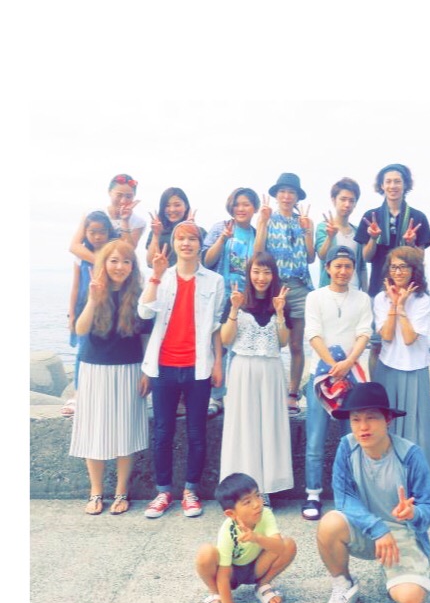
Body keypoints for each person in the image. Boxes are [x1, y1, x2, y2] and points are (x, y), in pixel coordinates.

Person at [316, 382, 430, 603]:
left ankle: (394, 572)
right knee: (330, 522)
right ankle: (344, 584)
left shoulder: (410, 455)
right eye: (355, 419)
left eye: (371, 418)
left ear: (388, 420)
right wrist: (377, 528)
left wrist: (414, 513)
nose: (363, 427)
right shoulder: (347, 447)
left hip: (402, 532)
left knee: (411, 599)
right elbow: (344, 498)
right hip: (366, 527)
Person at [138, 221, 225, 519]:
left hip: (197, 367)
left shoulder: (214, 281)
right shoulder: (161, 276)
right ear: (173, 243)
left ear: (201, 244)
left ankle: (190, 491)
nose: (186, 243)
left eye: (192, 238)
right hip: (163, 366)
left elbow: (216, 326)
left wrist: (218, 363)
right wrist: (155, 276)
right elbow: (144, 312)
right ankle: (163, 492)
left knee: (196, 432)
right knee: (163, 431)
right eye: (180, 238)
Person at [69, 240, 151, 515]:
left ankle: (121, 492)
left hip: (129, 369)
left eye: (126, 262)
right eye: (114, 260)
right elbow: (80, 329)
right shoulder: (93, 289)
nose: (120, 267)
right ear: (104, 263)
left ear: (133, 266)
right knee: (94, 431)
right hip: (94, 368)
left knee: (125, 431)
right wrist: (93, 300)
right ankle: (96, 492)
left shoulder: (139, 294)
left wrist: (146, 371)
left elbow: (145, 337)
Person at [372, 246, 430, 513]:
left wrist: (402, 307)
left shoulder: (423, 299)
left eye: (404, 267)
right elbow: (386, 336)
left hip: (414, 369)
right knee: (387, 430)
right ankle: (389, 488)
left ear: (414, 270)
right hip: (388, 367)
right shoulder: (381, 298)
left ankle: (429, 488)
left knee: (419, 432)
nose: (398, 272)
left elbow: (411, 338)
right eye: (394, 267)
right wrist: (393, 304)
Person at [301, 245, 372, 521]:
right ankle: (313, 493)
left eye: (348, 266)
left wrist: (348, 363)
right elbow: (313, 334)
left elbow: (364, 334)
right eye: (338, 266)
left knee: (351, 438)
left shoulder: (362, 299)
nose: (343, 271)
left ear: (354, 269)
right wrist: (333, 366)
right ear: (328, 267)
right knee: (315, 439)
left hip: (353, 376)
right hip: (320, 376)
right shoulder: (315, 297)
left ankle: (348, 493)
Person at [219, 252, 294, 502]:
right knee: (243, 427)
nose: (261, 277)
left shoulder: (280, 302)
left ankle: (267, 487)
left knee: (270, 426)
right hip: (243, 369)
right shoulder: (237, 300)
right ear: (248, 274)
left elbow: (283, 342)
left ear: (274, 275)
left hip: (271, 369)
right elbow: (225, 339)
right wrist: (233, 309)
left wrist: (280, 313)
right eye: (256, 272)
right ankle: (242, 489)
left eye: (267, 272)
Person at [354, 163, 430, 376]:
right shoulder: (371, 216)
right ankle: (376, 387)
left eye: (397, 181)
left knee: (408, 339)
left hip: (411, 290)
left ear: (405, 184)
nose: (393, 185)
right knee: (377, 343)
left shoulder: (418, 217)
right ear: (381, 185)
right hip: (379, 288)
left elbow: (420, 258)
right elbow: (366, 257)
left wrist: (412, 243)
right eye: (388, 181)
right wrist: (372, 238)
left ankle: (404, 382)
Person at [195, 473, 297, 603]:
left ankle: (263, 585)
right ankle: (216, 595)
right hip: (231, 574)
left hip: (257, 567)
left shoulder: (266, 514)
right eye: (247, 502)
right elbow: (223, 574)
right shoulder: (228, 530)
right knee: (205, 552)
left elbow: (280, 548)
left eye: (258, 495)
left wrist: (256, 538)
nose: (257, 504)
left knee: (289, 544)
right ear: (231, 513)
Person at [254, 173, 315, 416]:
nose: (287, 196)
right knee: (270, 342)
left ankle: (292, 393)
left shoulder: (304, 221)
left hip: (299, 287)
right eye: (283, 191)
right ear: (276, 195)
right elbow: (258, 251)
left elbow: (310, 257)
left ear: (297, 197)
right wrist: (262, 222)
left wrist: (307, 231)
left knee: (296, 344)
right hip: (274, 286)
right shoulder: (268, 218)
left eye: (291, 192)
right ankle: (268, 391)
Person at [202, 187, 260, 417]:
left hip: (246, 299)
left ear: (254, 208)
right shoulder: (221, 227)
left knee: (240, 348)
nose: (241, 208)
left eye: (246, 204)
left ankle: (235, 395)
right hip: (221, 295)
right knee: (217, 347)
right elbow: (206, 260)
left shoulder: (256, 234)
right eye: (237, 204)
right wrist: (223, 238)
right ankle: (215, 397)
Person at [63, 211, 114, 417]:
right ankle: (78, 393)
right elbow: (75, 286)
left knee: (101, 348)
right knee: (82, 350)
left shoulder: (113, 254)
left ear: (109, 232)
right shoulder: (81, 255)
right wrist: (71, 314)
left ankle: (100, 392)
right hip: (84, 308)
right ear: (85, 232)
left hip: (107, 309)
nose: (97, 236)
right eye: (92, 232)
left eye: (102, 232)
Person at [69, 173, 146, 263]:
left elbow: (128, 251)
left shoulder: (138, 223)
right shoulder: (92, 214)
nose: (123, 201)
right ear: (109, 192)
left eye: (128, 196)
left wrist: (125, 221)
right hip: (91, 265)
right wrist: (101, 263)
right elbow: (74, 246)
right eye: (119, 195)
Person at [315, 177, 367, 290]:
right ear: (334, 200)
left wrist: (366, 293)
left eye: (351, 200)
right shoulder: (323, 227)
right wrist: (330, 237)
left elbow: (362, 266)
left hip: (354, 291)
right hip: (330, 291)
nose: (347, 204)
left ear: (355, 204)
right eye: (343, 199)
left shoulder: (357, 231)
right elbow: (322, 255)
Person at [146, 187, 201, 268]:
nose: (172, 209)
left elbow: (201, 263)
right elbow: (150, 263)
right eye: (167, 205)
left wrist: (190, 231)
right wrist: (156, 235)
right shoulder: (156, 230)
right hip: (163, 275)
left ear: (186, 206)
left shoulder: (199, 231)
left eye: (177, 205)